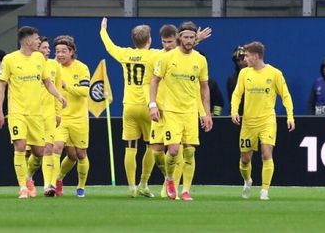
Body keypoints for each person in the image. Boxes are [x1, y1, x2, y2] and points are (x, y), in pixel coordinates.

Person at [0, 26, 66, 199]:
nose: (39, 41)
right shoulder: (10, 59)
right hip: (17, 112)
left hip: (36, 114)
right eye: (36, 38)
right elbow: (1, 85)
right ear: (27, 41)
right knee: (20, 146)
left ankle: (28, 178)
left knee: (40, 152)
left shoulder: (39, 58)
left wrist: (59, 96)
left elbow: (47, 82)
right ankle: (23, 188)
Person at [149, 21, 213, 201]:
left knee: (190, 152)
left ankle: (185, 190)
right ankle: (169, 179)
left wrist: (206, 113)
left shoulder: (200, 60)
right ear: (180, 38)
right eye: (186, 37)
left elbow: (204, 87)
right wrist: (152, 104)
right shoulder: (168, 58)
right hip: (171, 111)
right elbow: (154, 81)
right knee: (173, 150)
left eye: (192, 37)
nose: (189, 40)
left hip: (191, 112)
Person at [99, 19, 157, 198]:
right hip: (147, 105)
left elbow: (109, 46)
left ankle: (131, 187)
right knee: (151, 146)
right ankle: (143, 184)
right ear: (149, 39)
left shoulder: (126, 54)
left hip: (129, 106)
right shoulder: (154, 55)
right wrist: (196, 40)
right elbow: (176, 53)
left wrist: (103, 30)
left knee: (130, 147)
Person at [231, 41, 295, 201]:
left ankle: (264, 191)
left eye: (247, 56)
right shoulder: (244, 73)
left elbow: (285, 95)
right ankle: (247, 180)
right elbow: (237, 94)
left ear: (256, 56)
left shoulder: (274, 74)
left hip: (267, 120)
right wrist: (234, 111)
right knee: (245, 159)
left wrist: (290, 116)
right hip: (248, 122)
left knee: (266, 154)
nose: (245, 59)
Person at [51, 36, 91, 198]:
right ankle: (54, 182)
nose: (60, 54)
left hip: (79, 118)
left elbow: (84, 91)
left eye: (63, 51)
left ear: (72, 52)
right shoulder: (53, 67)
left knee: (77, 155)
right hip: (60, 117)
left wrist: (66, 86)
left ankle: (80, 186)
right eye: (57, 51)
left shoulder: (81, 68)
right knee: (56, 148)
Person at [28, 36, 63, 197]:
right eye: (45, 48)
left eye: (49, 48)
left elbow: (57, 89)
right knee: (34, 153)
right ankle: (28, 177)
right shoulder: (29, 64)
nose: (48, 51)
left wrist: (58, 113)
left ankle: (48, 185)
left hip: (49, 114)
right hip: (32, 113)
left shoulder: (54, 65)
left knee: (49, 148)